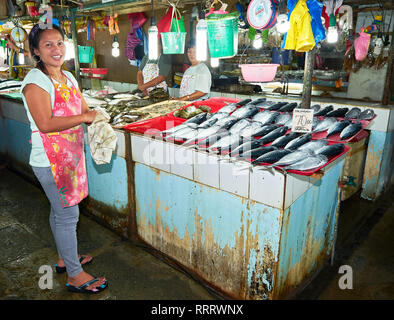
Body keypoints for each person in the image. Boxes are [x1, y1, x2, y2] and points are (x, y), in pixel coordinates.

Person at [20, 24, 108, 294]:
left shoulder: (68, 77)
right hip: (49, 161)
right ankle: (74, 274)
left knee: (59, 212)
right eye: (48, 45)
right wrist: (84, 118)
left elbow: (83, 107)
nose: (56, 49)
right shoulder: (35, 82)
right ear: (36, 51)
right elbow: (45, 123)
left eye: (59, 43)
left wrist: (96, 113)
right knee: (68, 215)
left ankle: (65, 258)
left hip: (70, 157)